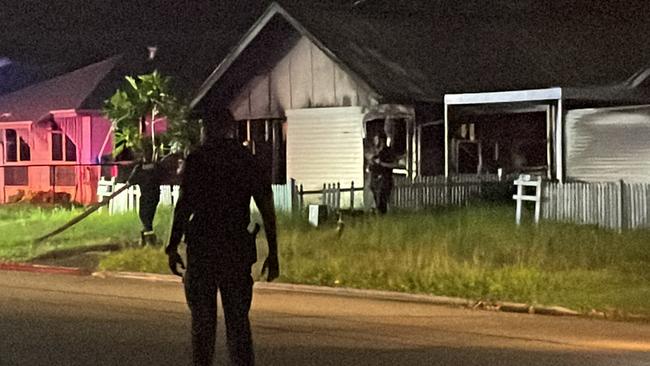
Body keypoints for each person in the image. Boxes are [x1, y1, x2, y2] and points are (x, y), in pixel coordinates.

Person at [165, 108, 279, 366]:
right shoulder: (246, 159)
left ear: (207, 128)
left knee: (203, 326)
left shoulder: (198, 160)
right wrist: (274, 253)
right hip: (236, 248)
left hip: (203, 248)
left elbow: (184, 206)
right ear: (231, 129)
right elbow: (267, 209)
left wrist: (173, 245)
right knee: (238, 324)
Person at [366, 131, 398, 214]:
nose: (375, 141)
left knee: (382, 200)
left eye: (377, 139)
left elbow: (394, 164)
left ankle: (382, 215)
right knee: (375, 199)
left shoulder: (388, 151)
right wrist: (371, 163)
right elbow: (370, 167)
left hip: (385, 180)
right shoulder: (376, 152)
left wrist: (381, 163)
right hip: (375, 180)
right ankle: (377, 213)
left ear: (381, 140)